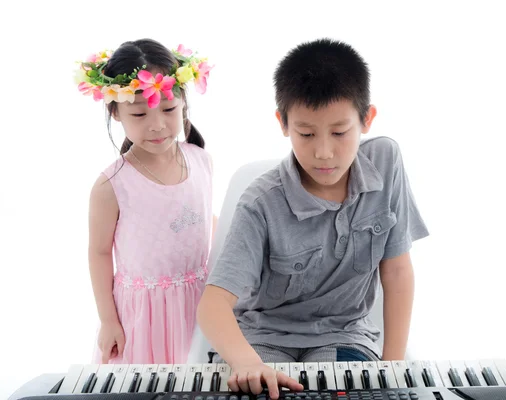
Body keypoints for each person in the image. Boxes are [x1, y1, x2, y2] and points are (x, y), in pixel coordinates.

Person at [197, 38, 429, 398]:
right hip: (262, 338)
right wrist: (247, 363)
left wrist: (391, 369)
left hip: (342, 336)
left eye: (339, 132)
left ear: (367, 119)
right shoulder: (260, 202)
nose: (324, 152)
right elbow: (213, 305)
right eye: (306, 134)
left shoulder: (385, 161)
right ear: (283, 123)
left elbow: (397, 270)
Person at [77, 38, 216, 364]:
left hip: (200, 307)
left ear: (183, 101)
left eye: (168, 109)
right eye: (139, 113)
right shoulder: (112, 185)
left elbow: (206, 220)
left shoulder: (201, 161)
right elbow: (98, 252)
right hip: (143, 318)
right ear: (115, 111)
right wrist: (109, 320)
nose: (157, 125)